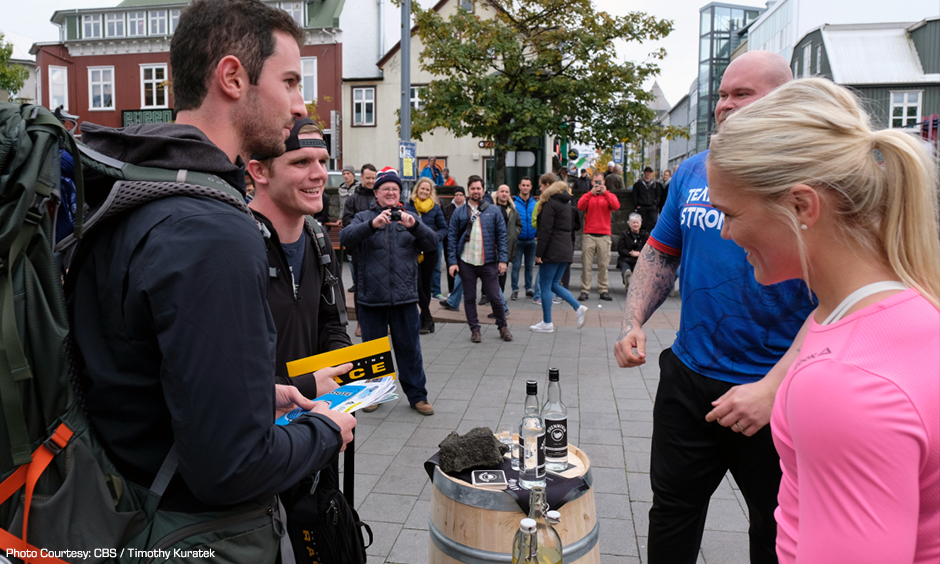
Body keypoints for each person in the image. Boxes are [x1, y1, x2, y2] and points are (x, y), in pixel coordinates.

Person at [69, 0, 355, 525]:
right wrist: (327, 431)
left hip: (121, 500)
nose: (299, 104)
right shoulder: (212, 230)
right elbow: (232, 469)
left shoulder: (133, 192)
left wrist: (252, 397)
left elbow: (142, 379)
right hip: (185, 532)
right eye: (290, 81)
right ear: (232, 77)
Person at [708, 78, 940, 564]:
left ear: (801, 206)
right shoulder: (910, 307)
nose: (726, 233)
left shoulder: (843, 384)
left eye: (729, 213)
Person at [613, 50, 816, 564]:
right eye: (722, 95)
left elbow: (838, 302)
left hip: (777, 390)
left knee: (775, 529)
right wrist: (633, 320)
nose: (725, 106)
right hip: (690, 377)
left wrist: (772, 389)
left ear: (783, 100)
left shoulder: (815, 177)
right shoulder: (693, 172)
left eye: (741, 94)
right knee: (672, 513)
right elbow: (662, 251)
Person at [340, 167, 437, 415]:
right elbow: (346, 238)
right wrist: (372, 225)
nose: (391, 193)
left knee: (410, 349)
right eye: (386, 189)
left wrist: (415, 226)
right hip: (371, 297)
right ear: (377, 194)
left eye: (395, 189)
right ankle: (373, 395)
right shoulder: (364, 217)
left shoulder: (410, 217)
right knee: (373, 352)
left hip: (405, 297)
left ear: (400, 193)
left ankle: (418, 396)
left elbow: (432, 243)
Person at [447, 175, 513, 343]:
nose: (475, 191)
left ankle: (503, 326)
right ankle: (474, 329)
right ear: (468, 190)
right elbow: (452, 237)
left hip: (488, 261)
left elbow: (502, 236)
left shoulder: (494, 210)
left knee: (495, 297)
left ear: (483, 190)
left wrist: (503, 260)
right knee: (469, 298)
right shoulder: (459, 212)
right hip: (466, 262)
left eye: (478, 188)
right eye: (472, 188)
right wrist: (452, 262)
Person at [529, 180, 589, 333]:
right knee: (555, 284)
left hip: (552, 250)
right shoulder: (568, 206)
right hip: (566, 248)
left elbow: (545, 230)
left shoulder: (550, 204)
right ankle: (578, 307)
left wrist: (539, 254)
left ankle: (547, 322)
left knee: (545, 286)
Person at [404, 177, 447, 334]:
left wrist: (435, 238)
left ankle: (424, 319)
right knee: (417, 285)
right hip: (412, 251)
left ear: (431, 192)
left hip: (429, 251)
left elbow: (444, 228)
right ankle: (428, 317)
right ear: (417, 189)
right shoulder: (408, 205)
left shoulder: (435, 207)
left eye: (427, 190)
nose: (424, 192)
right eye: (422, 189)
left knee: (426, 285)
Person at [342, 163, 377, 335]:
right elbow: (348, 224)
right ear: (361, 178)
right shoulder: (352, 199)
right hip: (359, 251)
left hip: (379, 250)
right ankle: (361, 323)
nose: (371, 181)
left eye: (373, 178)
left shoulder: (381, 197)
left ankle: (381, 322)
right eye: (368, 178)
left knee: (379, 287)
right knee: (360, 287)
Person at [577, 171, 620, 301]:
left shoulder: (608, 196)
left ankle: (603, 289)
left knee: (603, 265)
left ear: (604, 182)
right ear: (592, 182)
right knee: (586, 265)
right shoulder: (588, 196)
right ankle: (585, 290)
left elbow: (616, 206)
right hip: (589, 234)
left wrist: (605, 192)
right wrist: (591, 193)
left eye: (600, 182)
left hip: (604, 234)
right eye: (596, 182)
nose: (598, 184)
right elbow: (580, 205)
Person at [492, 183, 522, 317]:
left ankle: (500, 304)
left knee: (502, 275)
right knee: (493, 276)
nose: (504, 194)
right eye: (502, 191)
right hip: (493, 246)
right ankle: (499, 306)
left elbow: (518, 225)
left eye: (506, 191)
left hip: (507, 246)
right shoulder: (491, 208)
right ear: (497, 193)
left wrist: (513, 234)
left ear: (509, 194)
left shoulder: (513, 210)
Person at [511, 176, 538, 301]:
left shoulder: (535, 203)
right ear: (519, 186)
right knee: (516, 266)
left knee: (529, 266)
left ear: (531, 187)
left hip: (532, 239)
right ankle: (515, 290)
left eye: (528, 185)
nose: (525, 187)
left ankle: (528, 288)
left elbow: (539, 220)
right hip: (519, 239)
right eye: (523, 185)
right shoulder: (514, 203)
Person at [441, 186, 466, 297]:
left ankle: (464, 290)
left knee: (465, 268)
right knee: (450, 266)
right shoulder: (448, 208)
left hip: (465, 242)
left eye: (460, 195)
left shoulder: (468, 208)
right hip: (450, 241)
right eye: (456, 195)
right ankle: (451, 290)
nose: (458, 197)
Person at [616, 213, 648, 288]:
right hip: (625, 258)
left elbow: (648, 248)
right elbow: (620, 249)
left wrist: (639, 253)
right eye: (633, 223)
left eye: (637, 222)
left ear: (640, 223)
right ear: (630, 224)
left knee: (637, 267)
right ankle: (627, 278)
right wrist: (630, 253)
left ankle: (632, 285)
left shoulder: (645, 234)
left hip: (639, 258)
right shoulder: (624, 234)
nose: (635, 224)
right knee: (625, 268)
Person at [633, 166, 662, 232]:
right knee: (642, 224)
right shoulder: (638, 184)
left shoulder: (655, 184)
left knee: (654, 222)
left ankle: (649, 236)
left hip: (652, 207)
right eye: (647, 172)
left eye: (649, 173)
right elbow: (635, 195)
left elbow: (658, 195)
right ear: (644, 173)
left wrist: (655, 204)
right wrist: (637, 205)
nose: (648, 174)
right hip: (642, 206)